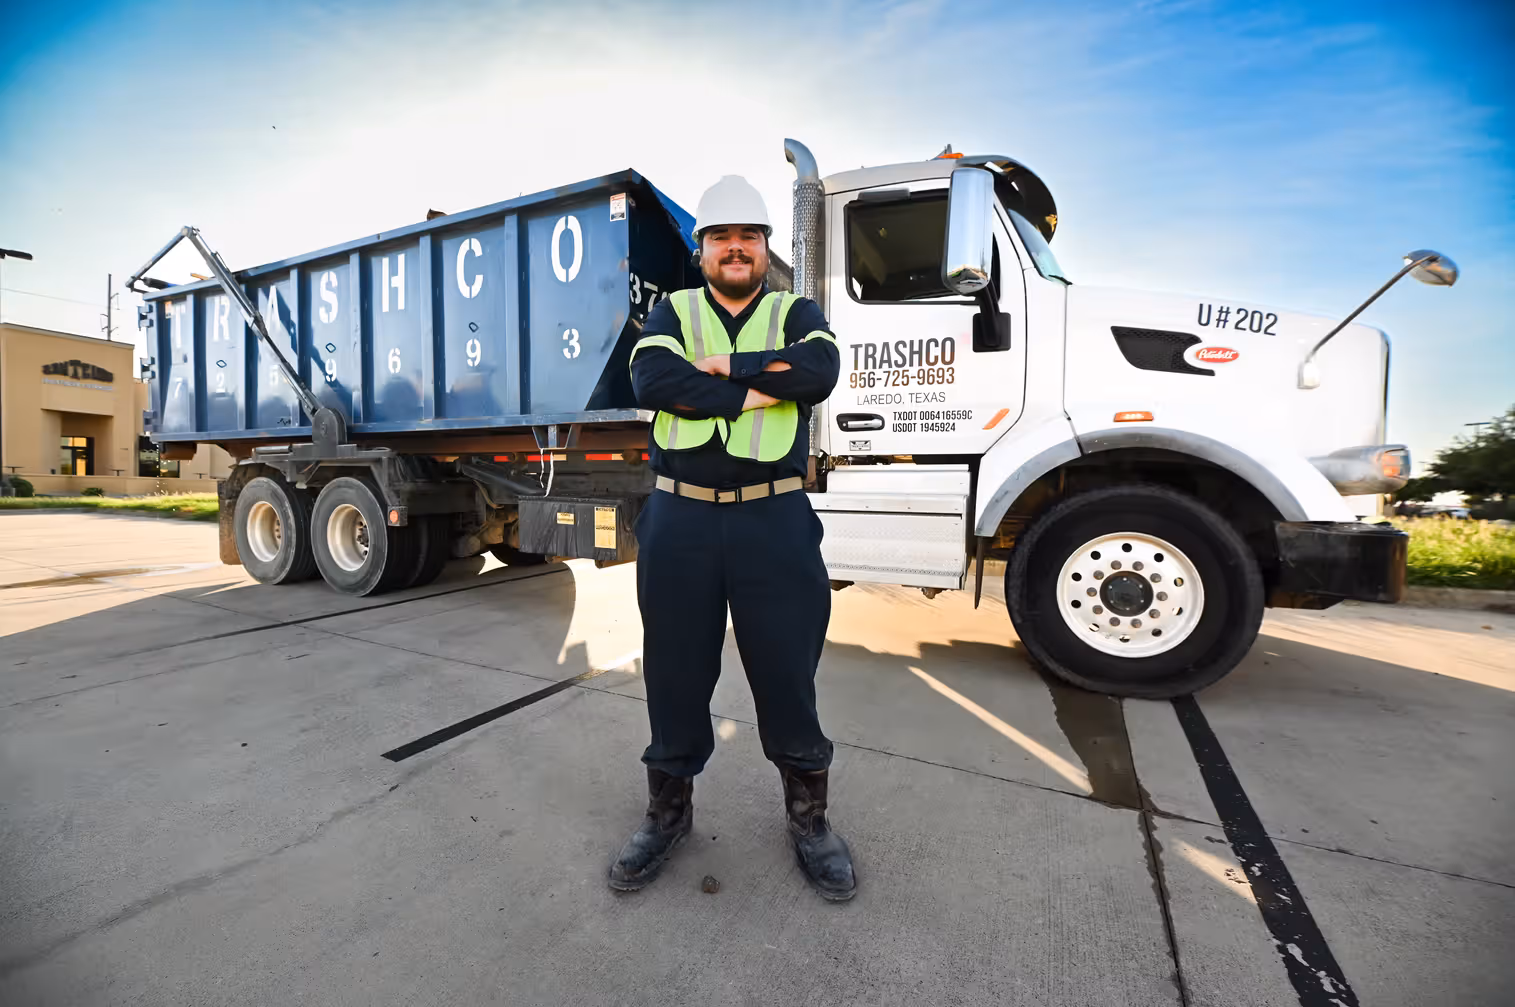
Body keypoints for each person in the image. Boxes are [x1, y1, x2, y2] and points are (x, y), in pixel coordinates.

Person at [607, 175, 854, 901]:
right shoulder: (675, 311)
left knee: (786, 672)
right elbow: (653, 378)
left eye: (748, 235)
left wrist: (723, 368)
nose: (735, 247)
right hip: (679, 517)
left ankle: (810, 820)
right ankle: (668, 813)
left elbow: (820, 368)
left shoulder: (792, 309)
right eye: (721, 237)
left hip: (771, 519)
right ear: (702, 248)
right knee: (675, 672)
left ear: (764, 246)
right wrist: (760, 386)